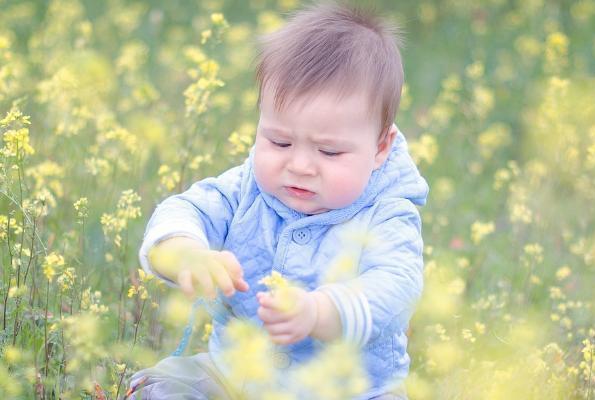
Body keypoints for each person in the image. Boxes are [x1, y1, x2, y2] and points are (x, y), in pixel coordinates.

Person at [127, 2, 428, 399]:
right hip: (236, 378)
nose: (300, 165)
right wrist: (186, 255)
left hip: (351, 391)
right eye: (280, 141)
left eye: (329, 152)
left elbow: (396, 285)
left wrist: (320, 312)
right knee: (164, 386)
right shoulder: (247, 187)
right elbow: (186, 209)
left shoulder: (387, 213)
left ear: (380, 148)